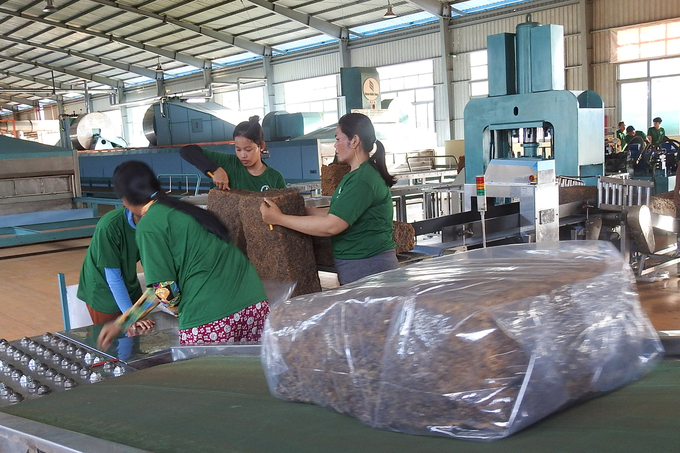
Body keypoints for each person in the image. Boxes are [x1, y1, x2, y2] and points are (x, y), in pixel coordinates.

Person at [97, 160, 269, 350]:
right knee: (249, 375)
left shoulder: (149, 225)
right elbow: (161, 289)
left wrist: (185, 312)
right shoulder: (186, 209)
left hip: (211, 318)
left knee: (210, 378)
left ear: (124, 200)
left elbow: (164, 290)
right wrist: (124, 321)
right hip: (254, 305)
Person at [260, 112, 398, 285]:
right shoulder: (355, 175)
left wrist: (279, 219)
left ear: (354, 141)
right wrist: (299, 210)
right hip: (358, 264)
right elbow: (336, 212)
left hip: (368, 265)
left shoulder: (363, 180)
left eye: (338, 139)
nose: (335, 145)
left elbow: (332, 225)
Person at [77, 207, 154, 332]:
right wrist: (131, 317)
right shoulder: (109, 226)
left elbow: (153, 266)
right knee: (113, 342)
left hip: (129, 283)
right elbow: (113, 277)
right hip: (103, 289)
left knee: (138, 336)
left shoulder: (155, 224)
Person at [180, 115, 286, 192]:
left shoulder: (275, 178)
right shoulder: (229, 163)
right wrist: (215, 169)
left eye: (248, 150)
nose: (242, 155)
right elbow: (187, 151)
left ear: (261, 146)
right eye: (238, 149)